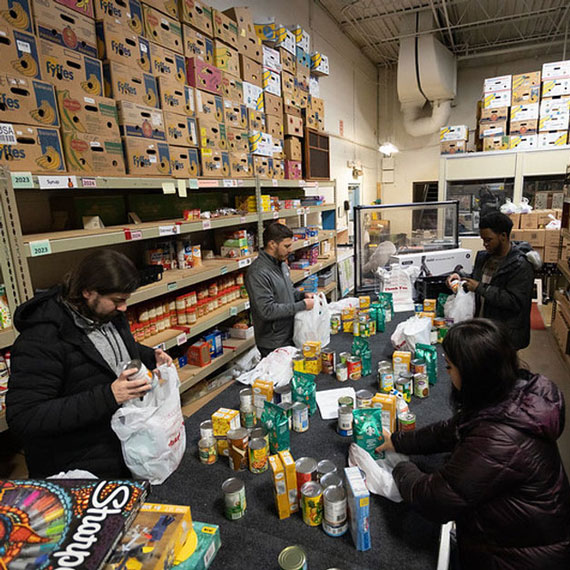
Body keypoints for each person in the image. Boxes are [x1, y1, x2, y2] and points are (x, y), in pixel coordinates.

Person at [377, 319, 570, 570]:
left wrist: (400, 468)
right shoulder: (511, 394)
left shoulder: (497, 439)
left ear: (472, 372)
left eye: (449, 367)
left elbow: (437, 499)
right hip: (527, 534)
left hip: (519, 558)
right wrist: (398, 441)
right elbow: (451, 430)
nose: (447, 374)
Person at [6, 249, 172, 478]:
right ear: (88, 292)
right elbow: (24, 417)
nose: (123, 307)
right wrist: (109, 396)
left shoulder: (106, 314)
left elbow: (112, 351)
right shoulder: (42, 339)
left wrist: (149, 355)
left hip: (120, 446)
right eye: (117, 300)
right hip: (78, 469)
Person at [447, 211, 536, 350]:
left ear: (503, 236)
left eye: (488, 240)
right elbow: (477, 278)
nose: (485, 244)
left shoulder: (520, 265)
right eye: (483, 240)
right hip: (483, 328)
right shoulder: (484, 257)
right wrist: (460, 276)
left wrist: (480, 288)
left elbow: (515, 301)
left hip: (504, 335)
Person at [245, 223, 315, 357]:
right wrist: (303, 305)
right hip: (272, 342)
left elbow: (289, 291)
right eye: (287, 246)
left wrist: (302, 295)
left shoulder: (281, 263)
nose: (290, 250)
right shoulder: (258, 273)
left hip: (288, 334)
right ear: (272, 244)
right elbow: (266, 310)